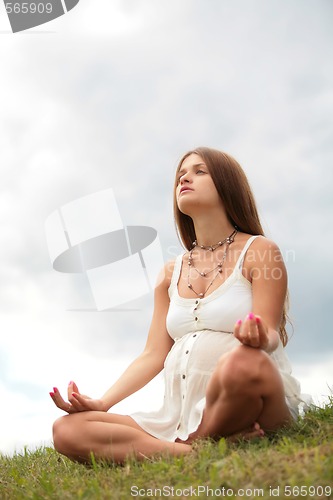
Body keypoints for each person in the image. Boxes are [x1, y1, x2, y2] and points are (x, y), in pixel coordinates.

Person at [50, 147, 302, 464]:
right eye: (181, 174)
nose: (185, 177)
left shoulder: (260, 251)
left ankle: (193, 445)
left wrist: (257, 336)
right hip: (177, 420)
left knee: (243, 362)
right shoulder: (170, 273)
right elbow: (154, 354)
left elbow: (268, 331)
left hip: (253, 397)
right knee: (67, 429)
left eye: (199, 171)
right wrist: (103, 403)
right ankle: (193, 452)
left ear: (227, 185)